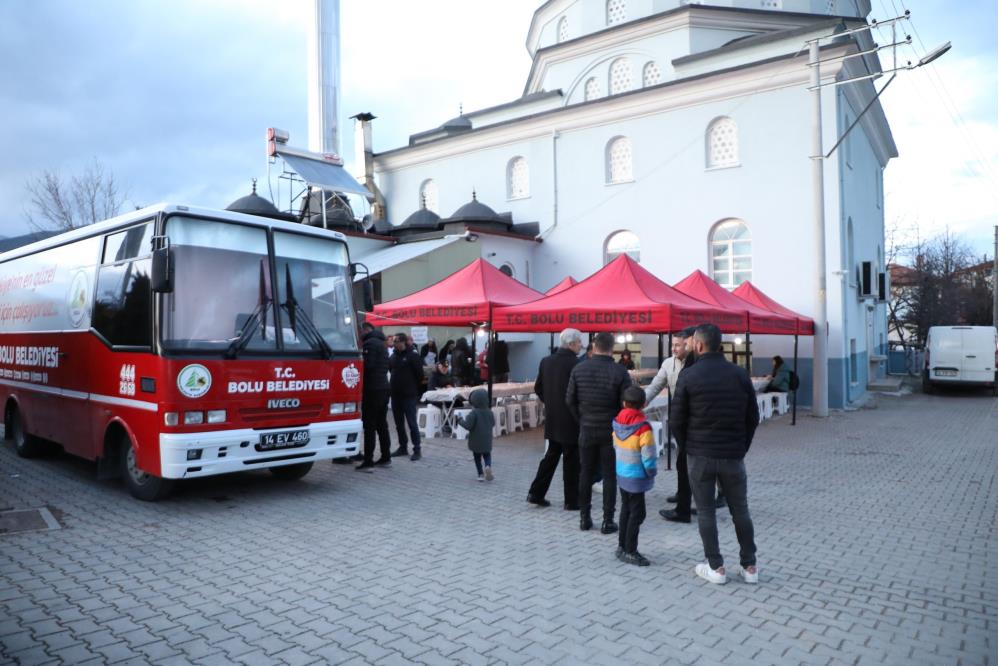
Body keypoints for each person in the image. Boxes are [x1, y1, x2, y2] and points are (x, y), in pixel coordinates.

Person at [670, 323, 760, 585]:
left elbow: (676, 421)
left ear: (698, 345)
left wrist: (687, 447)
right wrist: (741, 446)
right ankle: (750, 566)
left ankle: (716, 566)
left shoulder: (689, 375)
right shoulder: (739, 374)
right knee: (740, 510)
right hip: (732, 454)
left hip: (700, 455)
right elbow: (752, 416)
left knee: (706, 511)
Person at [567, 331, 632, 534]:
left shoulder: (579, 369)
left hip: (586, 428)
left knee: (585, 472)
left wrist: (581, 420)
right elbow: (627, 404)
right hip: (610, 430)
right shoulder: (620, 372)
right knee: (610, 475)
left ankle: (584, 518)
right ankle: (608, 520)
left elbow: (569, 400)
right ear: (612, 348)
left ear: (594, 347)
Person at [527, 328, 583, 510]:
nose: (581, 345)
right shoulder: (577, 364)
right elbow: (580, 394)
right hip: (572, 419)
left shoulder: (546, 362)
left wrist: (550, 403)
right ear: (571, 344)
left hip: (553, 417)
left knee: (551, 456)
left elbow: (538, 388)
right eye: (579, 342)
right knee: (571, 460)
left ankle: (536, 493)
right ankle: (571, 501)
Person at [613, 385, 657, 566]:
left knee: (626, 510)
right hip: (637, 477)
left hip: (622, 473)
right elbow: (649, 455)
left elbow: (615, 446)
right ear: (643, 405)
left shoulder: (616, 422)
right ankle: (630, 550)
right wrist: (651, 472)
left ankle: (621, 546)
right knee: (638, 514)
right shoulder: (644, 428)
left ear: (624, 403)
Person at [356, 323, 392, 471]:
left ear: (366, 330)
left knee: (369, 425)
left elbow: (368, 366)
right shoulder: (382, 344)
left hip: (372, 389)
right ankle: (386, 457)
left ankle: (368, 460)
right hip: (383, 387)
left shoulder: (370, 344)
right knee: (382, 424)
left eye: (361, 331)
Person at [389, 332, 425, 461]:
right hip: (395, 395)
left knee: (412, 423)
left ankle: (417, 449)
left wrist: (412, 388)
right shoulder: (393, 356)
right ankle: (403, 447)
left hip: (409, 395)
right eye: (394, 342)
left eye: (397, 342)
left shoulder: (413, 355)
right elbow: (390, 370)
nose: (395, 344)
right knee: (399, 424)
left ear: (403, 342)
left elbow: (420, 375)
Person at [457, 389, 496, 482]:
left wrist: (460, 420)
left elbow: (468, 425)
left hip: (476, 441)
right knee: (487, 455)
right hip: (487, 440)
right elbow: (493, 423)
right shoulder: (490, 412)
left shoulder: (473, 413)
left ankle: (480, 474)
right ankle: (488, 466)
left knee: (477, 458)